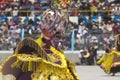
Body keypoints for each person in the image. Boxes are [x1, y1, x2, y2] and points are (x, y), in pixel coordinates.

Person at [1, 1, 80, 80]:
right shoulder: (33, 52)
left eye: (58, 34)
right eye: (54, 30)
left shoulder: (58, 54)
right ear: (44, 29)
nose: (58, 36)